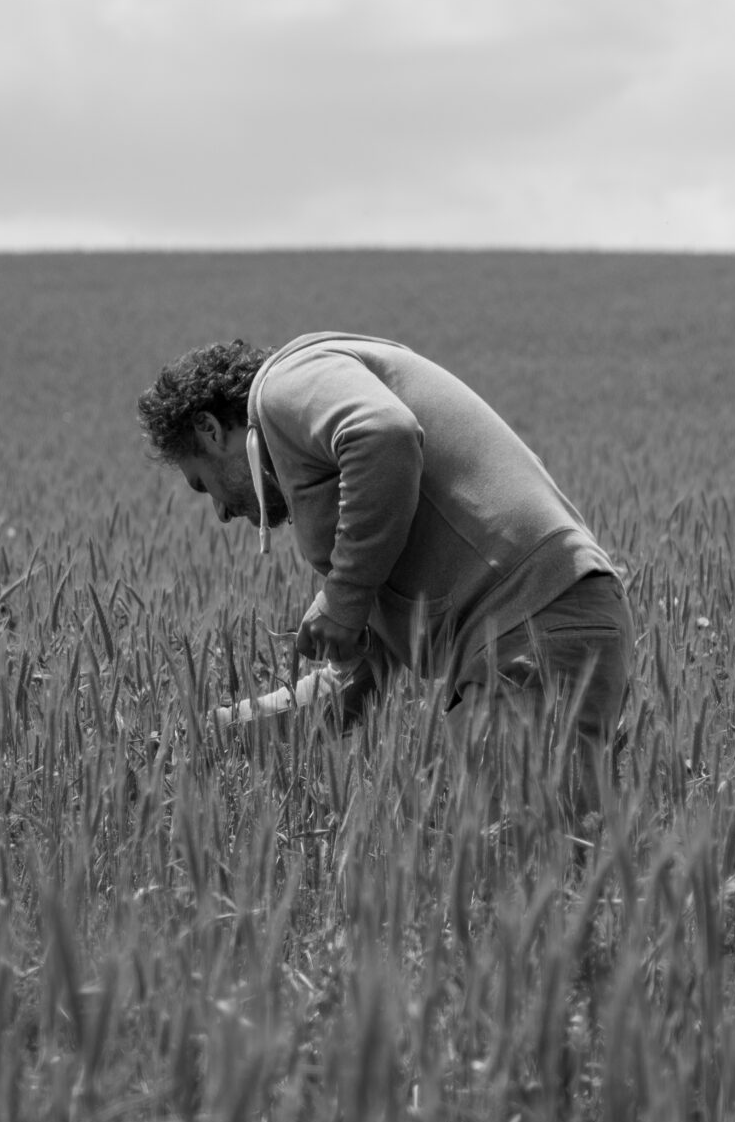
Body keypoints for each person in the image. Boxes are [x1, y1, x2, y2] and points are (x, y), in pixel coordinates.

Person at [137, 334, 630, 816]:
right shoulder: (366, 512)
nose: (221, 513)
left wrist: (344, 596)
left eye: (204, 485)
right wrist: (210, 734)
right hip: (548, 630)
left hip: (533, 628)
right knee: (533, 871)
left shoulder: (284, 383)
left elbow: (384, 433)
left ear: (209, 428)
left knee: (521, 867)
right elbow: (354, 678)